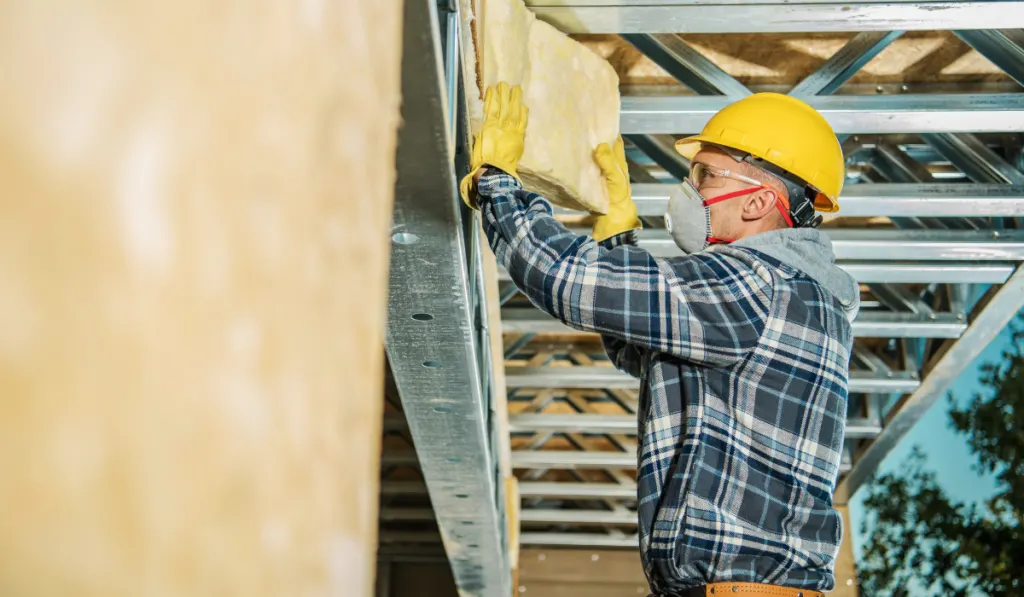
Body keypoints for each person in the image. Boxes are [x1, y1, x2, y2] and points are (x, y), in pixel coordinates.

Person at [461, 82, 859, 597]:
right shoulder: (789, 294)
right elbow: (648, 350)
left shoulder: (759, 283)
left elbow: (565, 280)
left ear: (760, 200)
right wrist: (620, 244)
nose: (691, 190)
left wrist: (498, 185)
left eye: (705, 175)